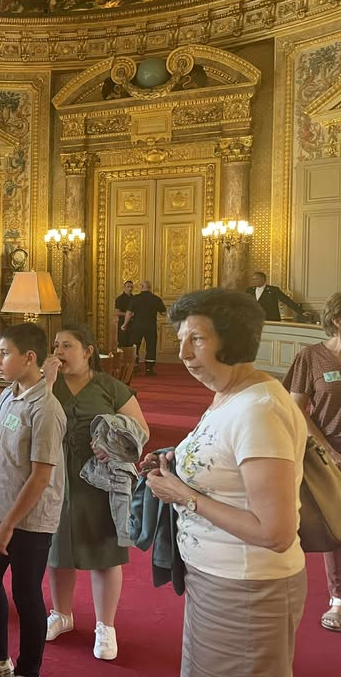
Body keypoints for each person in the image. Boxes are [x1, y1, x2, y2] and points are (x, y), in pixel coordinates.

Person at [144, 289, 308, 676]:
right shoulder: (229, 394)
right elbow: (227, 462)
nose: (183, 353)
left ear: (232, 339)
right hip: (216, 578)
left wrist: (184, 495)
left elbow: (275, 533)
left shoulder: (259, 410)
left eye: (197, 339)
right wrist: (178, 464)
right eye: (180, 340)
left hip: (248, 588)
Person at [0, 325, 66, 677]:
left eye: (4, 353)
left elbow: (41, 476)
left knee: (26, 594)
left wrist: (8, 526)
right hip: (2, 508)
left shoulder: (46, 409)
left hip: (30, 519)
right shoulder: (8, 395)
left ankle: (28, 670)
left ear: (29, 358)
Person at [46, 324, 149, 661]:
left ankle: (106, 626)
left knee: (104, 552)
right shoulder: (49, 383)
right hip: (55, 477)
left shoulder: (110, 387)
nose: (59, 352)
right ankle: (61, 613)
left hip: (100, 481)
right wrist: (44, 384)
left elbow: (141, 432)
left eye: (67, 346)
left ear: (88, 351)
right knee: (57, 549)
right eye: (56, 345)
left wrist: (112, 446)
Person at [283, 290, 341, 633]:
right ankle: (339, 599)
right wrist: (327, 450)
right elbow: (296, 409)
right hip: (330, 452)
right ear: (337, 320)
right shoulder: (312, 357)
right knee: (338, 526)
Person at [121, 280, 165, 376]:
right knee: (151, 346)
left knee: (135, 346)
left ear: (141, 287)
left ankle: (134, 366)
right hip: (151, 326)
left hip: (137, 326)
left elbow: (129, 313)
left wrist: (124, 324)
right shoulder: (156, 299)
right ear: (150, 287)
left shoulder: (135, 298)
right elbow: (163, 312)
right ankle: (149, 369)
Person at [114, 280, 134, 349]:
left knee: (132, 344)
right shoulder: (120, 299)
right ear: (124, 287)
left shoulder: (134, 298)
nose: (130, 289)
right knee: (122, 343)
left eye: (131, 287)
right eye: (128, 287)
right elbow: (117, 312)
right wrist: (129, 314)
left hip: (133, 324)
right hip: (123, 324)